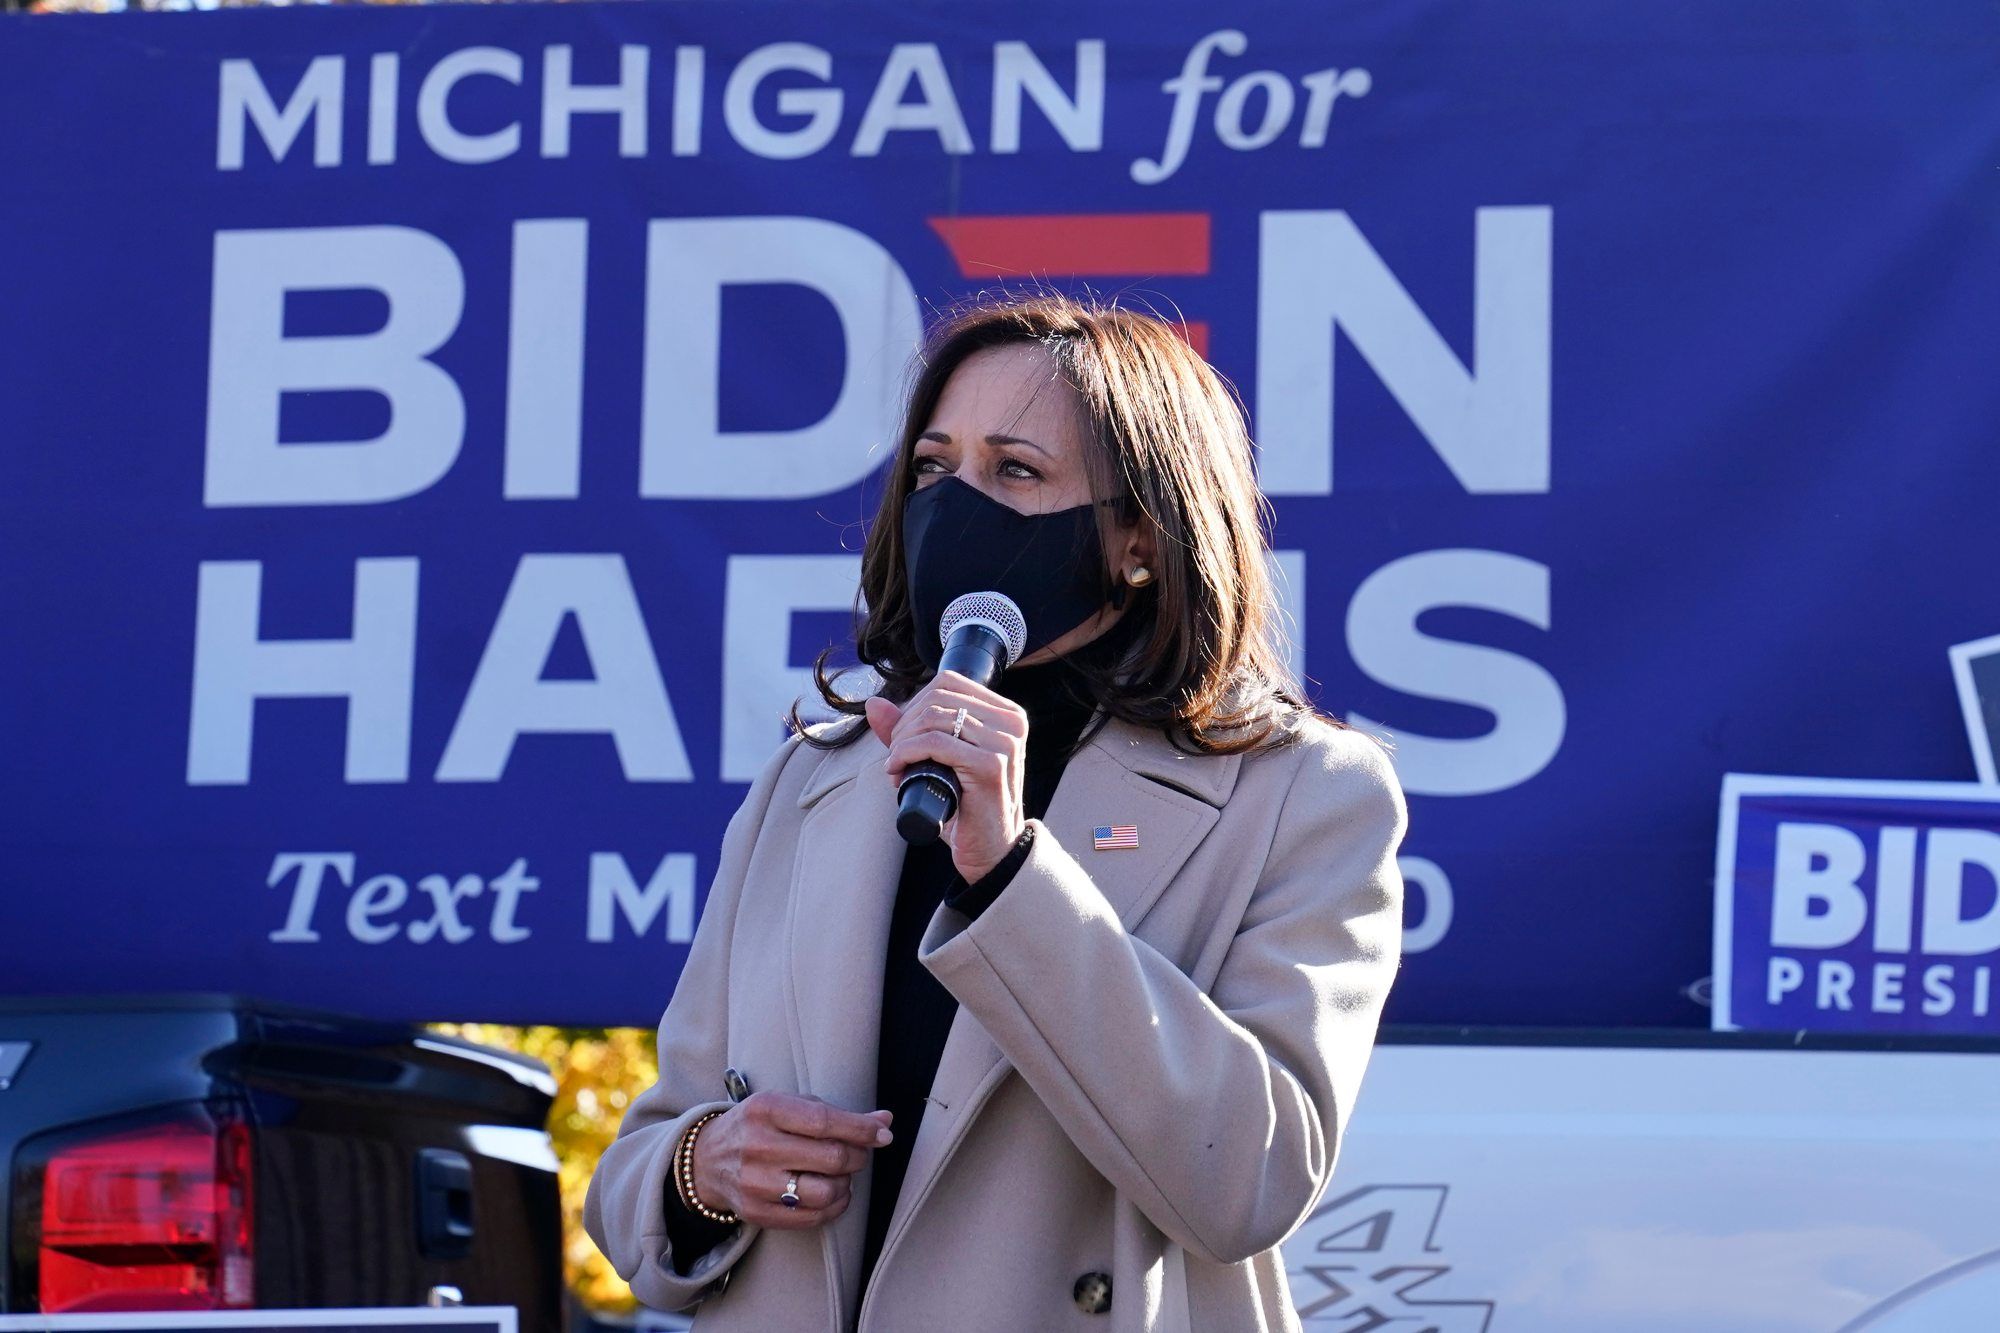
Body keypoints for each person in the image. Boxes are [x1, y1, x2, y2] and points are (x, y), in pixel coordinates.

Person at [584, 292, 1409, 1332]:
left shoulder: (1302, 792)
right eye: (934, 469)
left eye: (1014, 471)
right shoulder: (813, 779)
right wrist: (703, 1168)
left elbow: (1248, 1180)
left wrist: (1013, 876)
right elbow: (637, 1174)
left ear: (1140, 538)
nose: (954, 507)